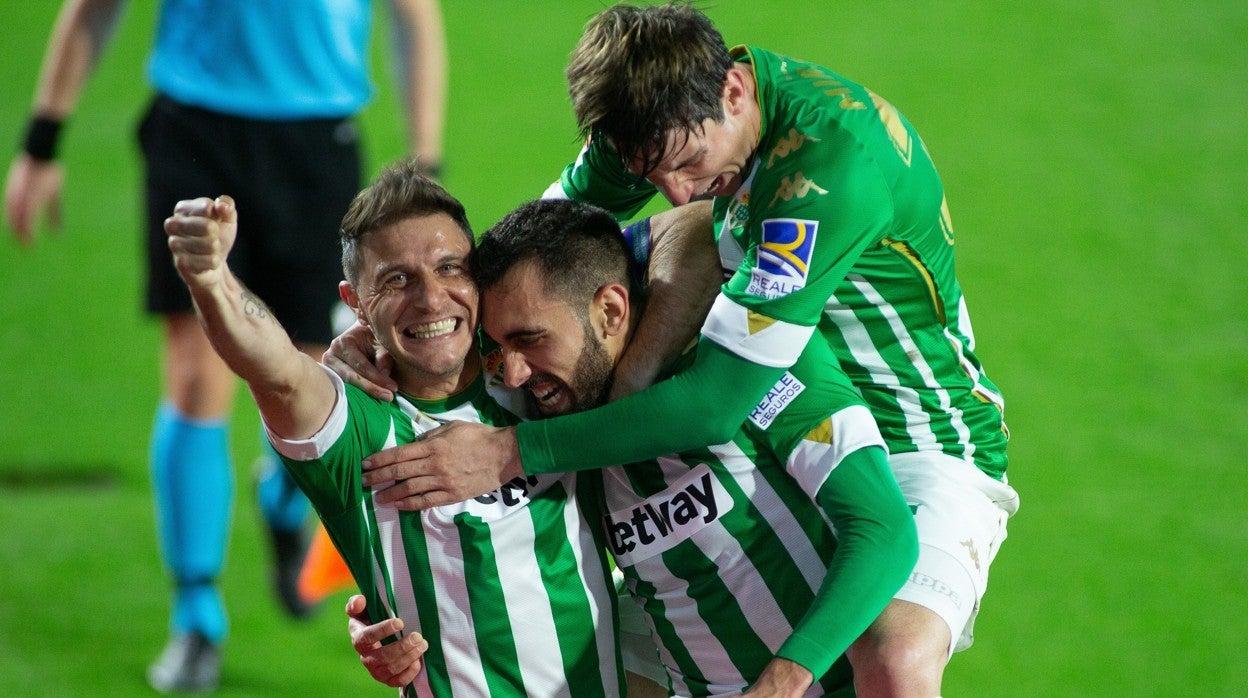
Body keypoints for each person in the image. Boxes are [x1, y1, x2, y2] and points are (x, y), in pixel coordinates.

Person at [349, 3, 1020, 696]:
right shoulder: (659, 116)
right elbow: (538, 254)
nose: (673, 190)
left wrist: (513, 452)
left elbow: (717, 402)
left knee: (895, 657)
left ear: (735, 91)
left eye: (688, 163)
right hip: (785, 415)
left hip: (918, 436)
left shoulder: (825, 172)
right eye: (649, 169)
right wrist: (397, 325)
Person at [3, 0, 446, 691]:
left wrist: (427, 162)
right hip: (195, 135)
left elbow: (415, 16)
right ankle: (196, 617)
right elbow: (93, 10)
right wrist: (41, 144)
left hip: (317, 145)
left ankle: (283, 496)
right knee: (194, 373)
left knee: (306, 381)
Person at [342, 197, 918, 696]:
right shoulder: (561, 412)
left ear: (611, 310)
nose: (513, 375)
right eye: (498, 348)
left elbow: (884, 534)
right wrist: (389, 622)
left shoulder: (754, 361)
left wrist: (778, 686)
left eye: (531, 340)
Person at [163, 161, 628, 696]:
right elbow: (280, 373)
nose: (431, 299)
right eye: (397, 280)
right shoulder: (355, 429)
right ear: (356, 304)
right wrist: (212, 280)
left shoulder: (536, 374)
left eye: (450, 268)